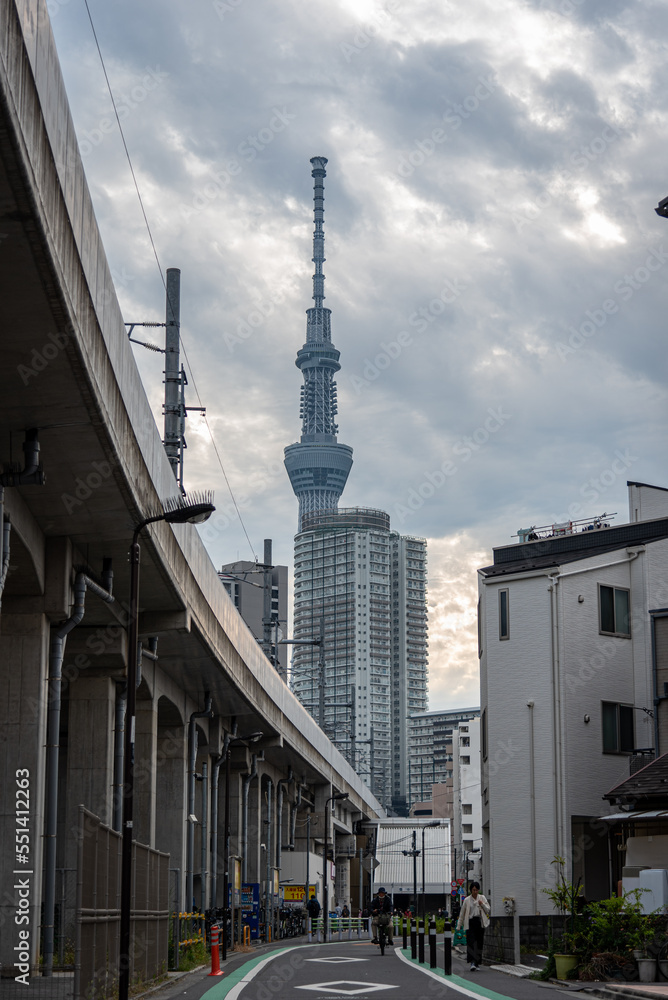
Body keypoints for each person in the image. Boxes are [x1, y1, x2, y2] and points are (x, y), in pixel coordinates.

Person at [457, 882, 490, 971]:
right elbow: (462, 914)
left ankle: (477, 963)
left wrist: (482, 904)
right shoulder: (467, 900)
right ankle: (472, 962)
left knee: (479, 943)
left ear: (478, 890)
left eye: (476, 890)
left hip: (479, 922)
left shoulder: (482, 898)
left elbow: (488, 910)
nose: (475, 892)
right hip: (470, 923)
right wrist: (459, 926)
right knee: (471, 942)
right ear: (471, 890)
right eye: (473, 890)